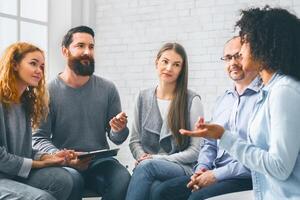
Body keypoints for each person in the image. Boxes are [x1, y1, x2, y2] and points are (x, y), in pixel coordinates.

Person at [180, 6, 300, 200]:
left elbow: (279, 167)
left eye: (244, 43)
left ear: (263, 45)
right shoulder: (271, 91)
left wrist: (224, 136)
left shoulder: (283, 91)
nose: (239, 52)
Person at [154, 36, 260, 200]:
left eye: (238, 55)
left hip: (245, 176)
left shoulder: (263, 98)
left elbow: (258, 157)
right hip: (214, 171)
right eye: (228, 58)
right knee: (162, 191)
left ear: (249, 56)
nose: (233, 62)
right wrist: (201, 170)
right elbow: (209, 144)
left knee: (197, 198)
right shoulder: (223, 100)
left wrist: (216, 175)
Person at [32, 26, 131, 200]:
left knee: (123, 179)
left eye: (91, 47)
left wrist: (118, 129)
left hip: (100, 162)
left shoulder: (108, 88)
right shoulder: (47, 92)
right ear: (65, 51)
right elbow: (39, 137)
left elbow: (117, 138)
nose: (87, 51)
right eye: (80, 46)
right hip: (65, 162)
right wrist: (62, 157)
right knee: (72, 180)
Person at [125, 42, 204, 200]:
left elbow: (195, 151)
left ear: (182, 70)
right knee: (154, 188)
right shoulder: (142, 97)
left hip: (182, 167)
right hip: (147, 166)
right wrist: (142, 157)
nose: (169, 68)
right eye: (165, 62)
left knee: (147, 168)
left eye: (176, 65)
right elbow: (134, 141)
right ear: (157, 62)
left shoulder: (192, 100)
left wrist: (154, 159)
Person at [0, 42, 73, 200]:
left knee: (63, 180)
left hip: (12, 173)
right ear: (14, 65)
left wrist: (50, 157)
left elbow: (23, 151)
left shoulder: (24, 104)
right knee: (43, 198)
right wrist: (43, 164)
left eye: (42, 66)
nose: (39, 71)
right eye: (33, 63)